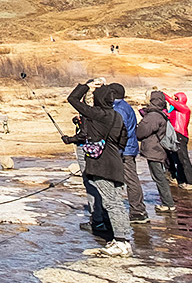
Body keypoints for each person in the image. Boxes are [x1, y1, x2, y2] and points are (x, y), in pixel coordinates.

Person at [68, 79, 133, 256]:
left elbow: (72, 99)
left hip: (102, 165)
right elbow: (123, 139)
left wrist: (86, 86)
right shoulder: (117, 116)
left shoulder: (97, 114)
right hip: (115, 163)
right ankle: (122, 240)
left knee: (112, 203)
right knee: (116, 202)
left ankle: (121, 241)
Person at [63, 114, 113, 241]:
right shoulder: (105, 113)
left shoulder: (89, 113)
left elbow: (84, 134)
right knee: (100, 181)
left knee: (90, 182)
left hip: (87, 149)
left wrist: (70, 139)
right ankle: (105, 216)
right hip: (102, 149)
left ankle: (97, 220)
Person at [110, 83, 147, 223]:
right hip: (128, 148)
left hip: (124, 150)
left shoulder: (119, 109)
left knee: (130, 179)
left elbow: (119, 131)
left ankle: (138, 211)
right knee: (130, 179)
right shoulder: (124, 106)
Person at [135, 91, 176, 212]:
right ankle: (168, 203)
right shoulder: (159, 113)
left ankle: (168, 204)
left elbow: (141, 132)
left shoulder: (153, 116)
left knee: (159, 178)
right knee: (160, 177)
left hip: (154, 150)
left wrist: (138, 128)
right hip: (157, 149)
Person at [161, 91, 192, 187]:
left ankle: (191, 182)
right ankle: (181, 180)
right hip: (174, 135)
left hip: (180, 136)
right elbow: (166, 114)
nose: (173, 100)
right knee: (176, 159)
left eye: (175, 98)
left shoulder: (184, 108)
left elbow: (172, 102)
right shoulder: (173, 111)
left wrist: (163, 94)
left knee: (183, 159)